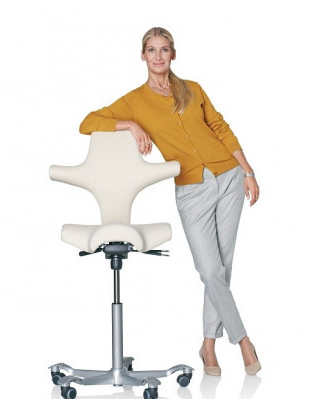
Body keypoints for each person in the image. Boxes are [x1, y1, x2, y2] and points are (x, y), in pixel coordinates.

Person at [79, 27, 261, 376]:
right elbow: (87, 123)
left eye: (164, 49)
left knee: (222, 267)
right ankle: (243, 341)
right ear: (143, 56)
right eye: (152, 50)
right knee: (210, 270)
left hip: (228, 176)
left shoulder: (192, 89)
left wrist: (248, 171)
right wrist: (130, 125)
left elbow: (220, 127)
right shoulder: (134, 100)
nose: (158, 56)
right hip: (191, 188)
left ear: (173, 54)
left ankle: (208, 347)